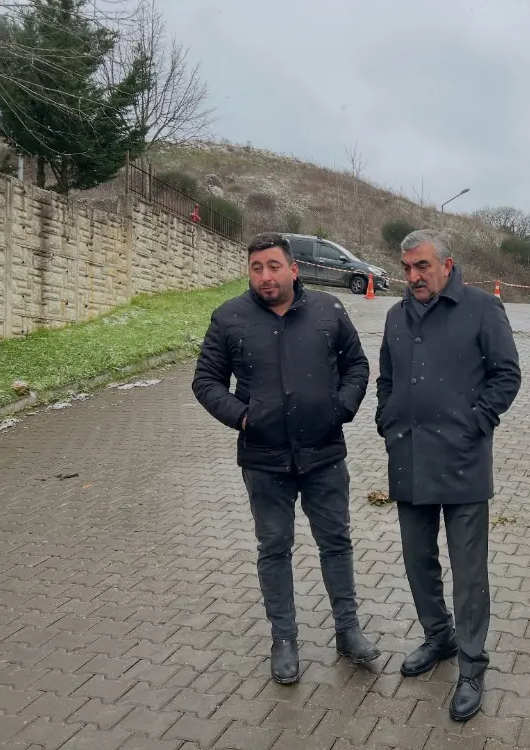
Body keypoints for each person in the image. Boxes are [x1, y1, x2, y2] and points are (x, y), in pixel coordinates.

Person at [192, 231, 381, 685]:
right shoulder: (229, 317)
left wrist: (341, 408)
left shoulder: (329, 311)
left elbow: (357, 366)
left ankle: (348, 630)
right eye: (256, 268)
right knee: (274, 548)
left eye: (274, 266)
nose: (265, 276)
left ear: (293, 270)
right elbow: (206, 381)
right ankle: (284, 640)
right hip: (264, 460)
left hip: (324, 454)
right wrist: (242, 417)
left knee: (336, 542)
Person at [376, 229, 521, 722]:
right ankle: (439, 637)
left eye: (422, 266)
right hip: (409, 456)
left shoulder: (481, 308)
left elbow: (507, 375)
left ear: (447, 265)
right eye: (407, 268)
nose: (414, 276)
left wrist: (476, 423)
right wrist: (387, 418)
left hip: (463, 459)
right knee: (418, 560)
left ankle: (472, 665)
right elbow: (387, 377)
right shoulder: (396, 315)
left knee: (468, 570)